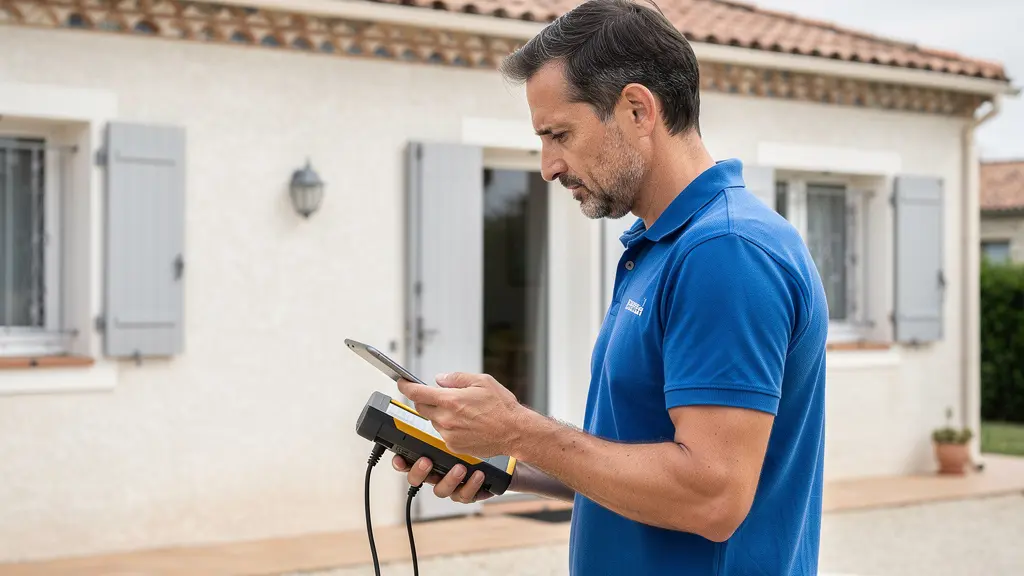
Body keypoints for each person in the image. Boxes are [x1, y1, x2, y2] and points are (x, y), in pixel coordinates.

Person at [392, 0, 829, 573]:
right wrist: (504, 462)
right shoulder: (661, 248)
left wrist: (520, 428)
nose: (548, 166)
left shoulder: (725, 252)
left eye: (560, 134)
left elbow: (711, 495)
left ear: (636, 109)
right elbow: (643, 464)